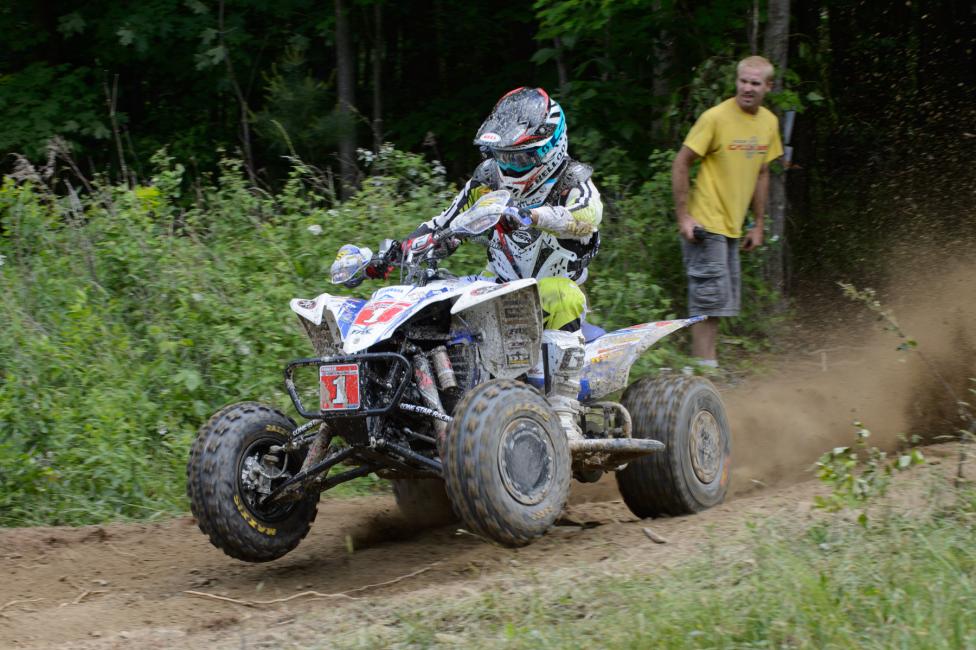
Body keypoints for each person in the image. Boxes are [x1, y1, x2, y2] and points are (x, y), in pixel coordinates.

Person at [406, 86, 603, 435]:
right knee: (436, 294)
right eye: (503, 156)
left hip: (548, 293)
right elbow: (446, 221)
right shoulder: (488, 180)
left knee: (562, 293)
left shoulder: (573, 181)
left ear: (550, 149)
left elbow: (586, 216)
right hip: (495, 284)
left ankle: (563, 413)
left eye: (521, 158)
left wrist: (532, 215)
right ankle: (436, 400)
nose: (510, 166)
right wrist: (405, 247)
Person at [671, 55, 784, 368]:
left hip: (732, 226)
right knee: (707, 303)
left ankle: (705, 370)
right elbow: (681, 162)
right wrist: (684, 217)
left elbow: (762, 172)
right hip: (706, 224)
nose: (747, 88)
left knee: (718, 304)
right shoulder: (715, 118)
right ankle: (702, 373)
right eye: (743, 81)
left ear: (768, 86)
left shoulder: (769, 123)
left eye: (755, 83)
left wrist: (757, 224)